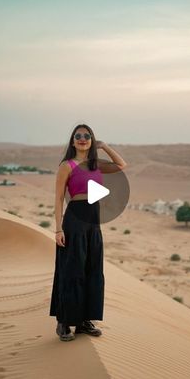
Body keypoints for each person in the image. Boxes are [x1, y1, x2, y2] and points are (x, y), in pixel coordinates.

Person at [49, 123, 127, 341]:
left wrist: (104, 146)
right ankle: (64, 322)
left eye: (87, 136)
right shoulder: (67, 165)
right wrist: (58, 228)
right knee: (72, 270)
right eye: (78, 136)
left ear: (92, 140)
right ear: (73, 141)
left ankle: (84, 321)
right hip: (74, 218)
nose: (82, 138)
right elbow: (57, 198)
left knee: (92, 270)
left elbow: (122, 165)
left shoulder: (96, 164)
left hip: (93, 221)